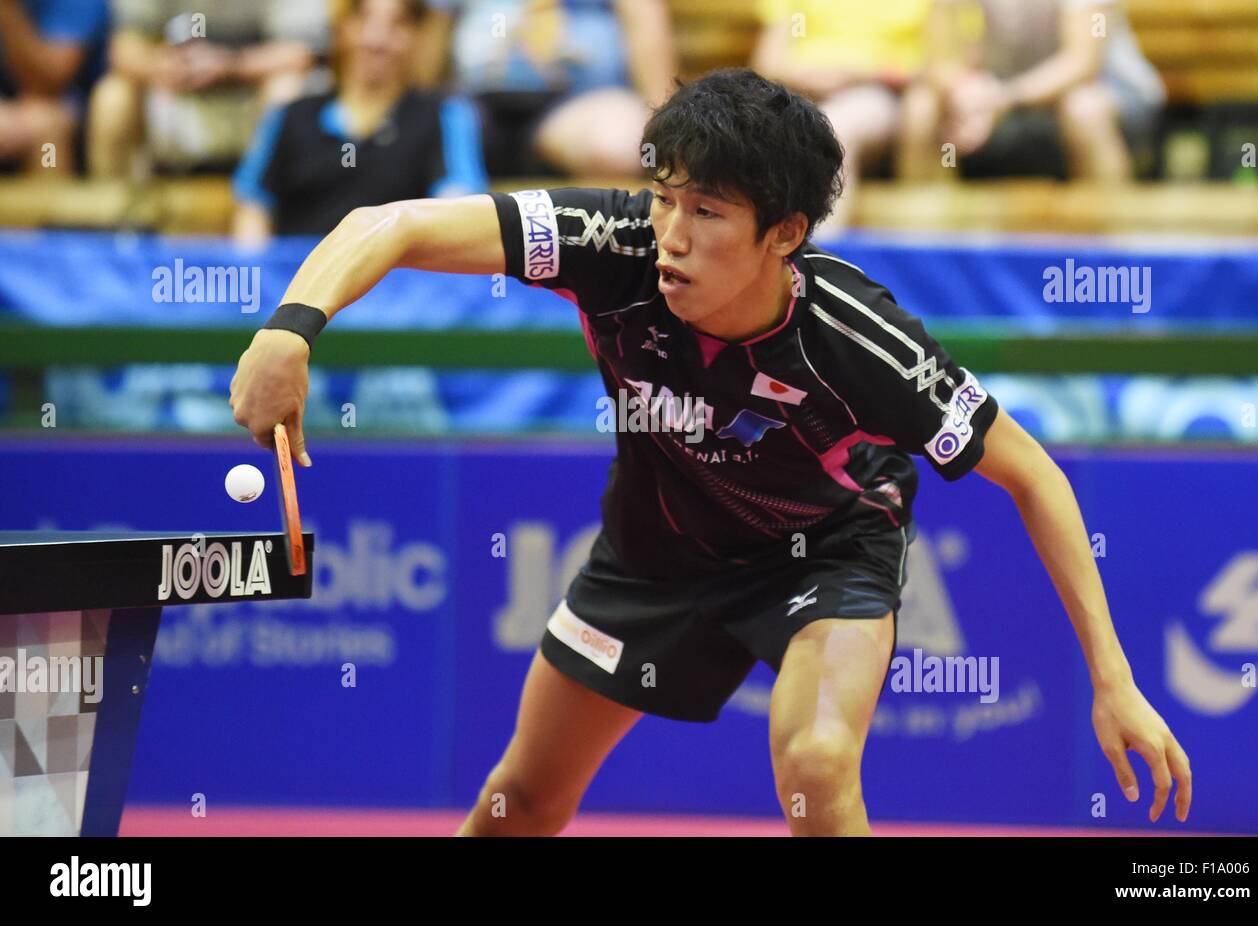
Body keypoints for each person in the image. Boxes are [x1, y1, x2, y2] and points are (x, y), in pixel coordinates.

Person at [229, 68, 1192, 836]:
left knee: (817, 764)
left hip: (824, 553)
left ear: (786, 234)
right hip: (655, 551)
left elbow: (1032, 473)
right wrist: (290, 329)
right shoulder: (613, 244)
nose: (671, 238)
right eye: (665, 201)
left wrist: (1113, 679)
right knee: (520, 802)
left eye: (708, 214)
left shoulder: (857, 342)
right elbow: (390, 224)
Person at [231, 0, 487, 247]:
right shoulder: (291, 114)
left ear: (417, 35)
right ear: (343, 27)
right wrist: (258, 269)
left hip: (401, 274)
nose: (377, 40)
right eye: (364, 19)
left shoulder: (445, 115)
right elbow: (253, 209)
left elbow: (456, 210)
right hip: (296, 273)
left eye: (397, 24)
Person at [899, 0, 1165, 181]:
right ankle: (925, 243)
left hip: (1108, 93)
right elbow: (939, 58)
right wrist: (964, 91)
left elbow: (1083, 63)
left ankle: (1109, 243)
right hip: (1001, 95)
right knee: (921, 106)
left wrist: (1002, 98)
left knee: (1084, 108)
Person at [431, 0, 675, 177]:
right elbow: (429, 32)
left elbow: (644, 21)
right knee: (429, 138)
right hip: (474, 105)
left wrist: (663, 128)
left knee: (615, 146)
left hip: (579, 102)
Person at [87, 0, 329, 178]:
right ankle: (118, 221)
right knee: (113, 96)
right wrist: (161, 66)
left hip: (248, 99)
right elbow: (122, 48)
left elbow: (304, 52)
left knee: (286, 88)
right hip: (173, 98)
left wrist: (230, 65)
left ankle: (263, 207)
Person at [751, 0, 933, 230]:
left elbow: (938, 68)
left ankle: (820, 248)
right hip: (797, 94)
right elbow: (768, 64)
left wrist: (856, 74)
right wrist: (806, 77)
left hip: (879, 95)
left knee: (832, 130)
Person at [0, 0, 109, 175]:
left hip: (63, 106)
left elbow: (48, 83)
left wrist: (7, 11)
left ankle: (47, 193)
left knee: (47, 135)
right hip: (9, 108)